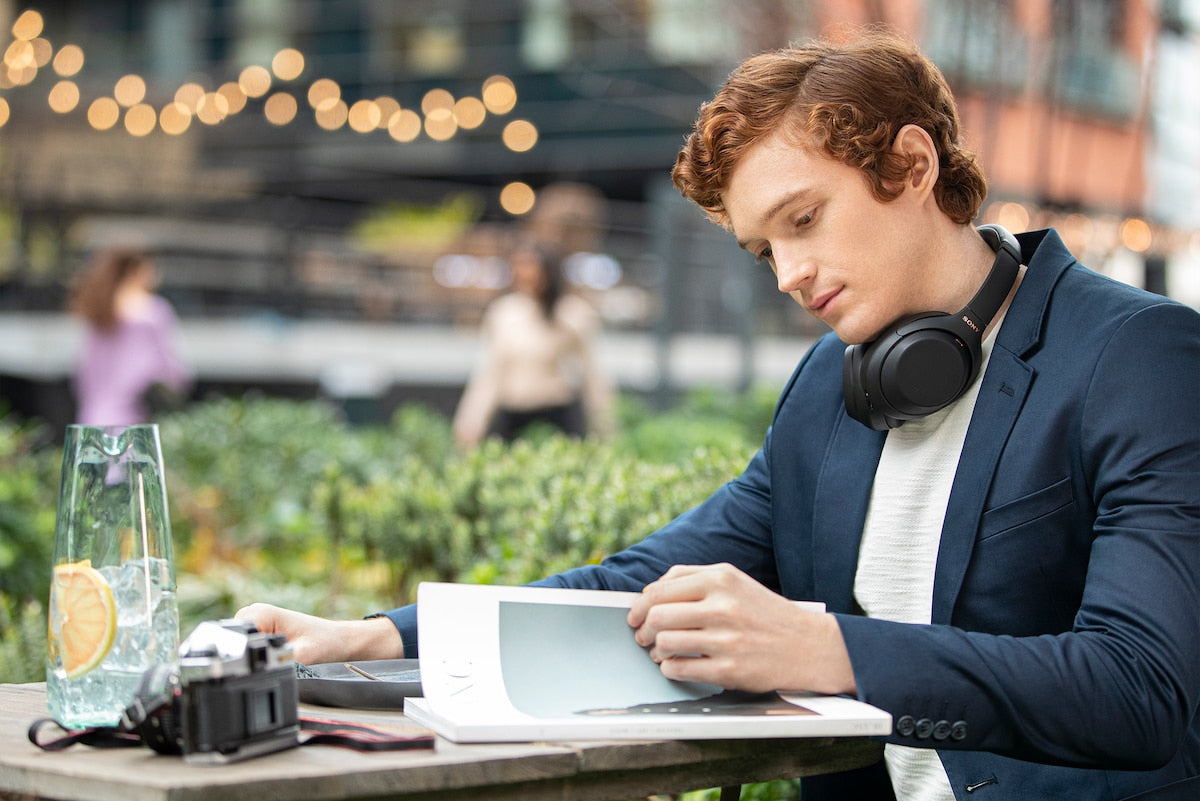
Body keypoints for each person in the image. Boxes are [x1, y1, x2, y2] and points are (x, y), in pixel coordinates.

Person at [238, 30, 1199, 800]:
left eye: (804, 220)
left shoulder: (1139, 356)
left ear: (911, 165)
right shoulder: (833, 383)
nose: (788, 276)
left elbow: (1140, 688)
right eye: (761, 250)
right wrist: (371, 638)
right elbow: (643, 580)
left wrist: (824, 649)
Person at [451, 238, 614, 446]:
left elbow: (592, 374)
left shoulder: (572, 313)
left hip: (557, 410)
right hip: (513, 409)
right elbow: (490, 373)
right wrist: (470, 420)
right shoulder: (504, 313)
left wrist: (604, 423)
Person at [69, 248, 192, 426]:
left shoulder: (99, 311)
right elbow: (175, 373)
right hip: (133, 423)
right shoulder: (151, 311)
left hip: (93, 419)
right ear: (139, 269)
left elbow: (83, 375)